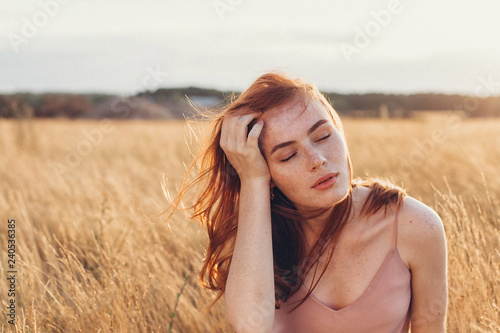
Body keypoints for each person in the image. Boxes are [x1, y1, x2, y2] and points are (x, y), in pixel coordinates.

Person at [165, 71, 447, 332]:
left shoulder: (415, 226)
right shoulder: (256, 232)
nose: (318, 160)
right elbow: (251, 327)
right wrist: (253, 182)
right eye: (288, 155)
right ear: (266, 171)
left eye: (323, 135)